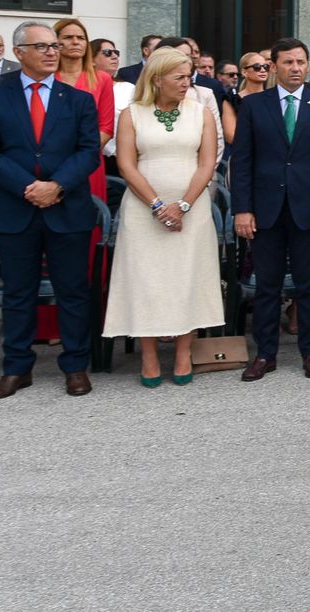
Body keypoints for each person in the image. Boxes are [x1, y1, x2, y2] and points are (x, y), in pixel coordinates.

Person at [0, 22, 103, 400]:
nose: (52, 52)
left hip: (67, 209)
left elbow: (88, 152)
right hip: (14, 208)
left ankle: (76, 365)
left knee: (73, 291)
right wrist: (27, 188)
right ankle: (16, 368)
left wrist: (56, 186)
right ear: (19, 53)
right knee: (17, 292)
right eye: (42, 46)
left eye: (54, 46)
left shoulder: (77, 99)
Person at [102, 48, 224, 386]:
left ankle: (185, 353)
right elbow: (126, 164)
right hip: (143, 211)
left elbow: (207, 163)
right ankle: (150, 355)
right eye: (180, 77)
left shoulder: (201, 112)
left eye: (189, 76)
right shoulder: (131, 114)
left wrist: (182, 204)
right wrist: (157, 205)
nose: (188, 83)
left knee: (188, 278)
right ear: (157, 79)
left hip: (192, 208)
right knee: (147, 281)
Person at [232, 38, 310, 381]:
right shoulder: (254, 106)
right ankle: (265, 354)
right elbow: (243, 162)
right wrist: (242, 209)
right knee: (267, 285)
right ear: (274, 67)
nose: (295, 68)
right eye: (288, 62)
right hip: (265, 209)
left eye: (300, 62)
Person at [53, 18, 115, 206]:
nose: (75, 42)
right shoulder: (47, 77)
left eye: (80, 37)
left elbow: (106, 127)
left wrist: (81, 156)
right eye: (69, 37)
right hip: (50, 160)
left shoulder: (101, 79)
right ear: (56, 42)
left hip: (88, 161)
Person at [89, 38, 136, 176]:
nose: (114, 56)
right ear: (91, 59)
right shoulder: (84, 87)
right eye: (108, 53)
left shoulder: (128, 88)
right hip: (92, 155)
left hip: (120, 158)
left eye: (116, 52)